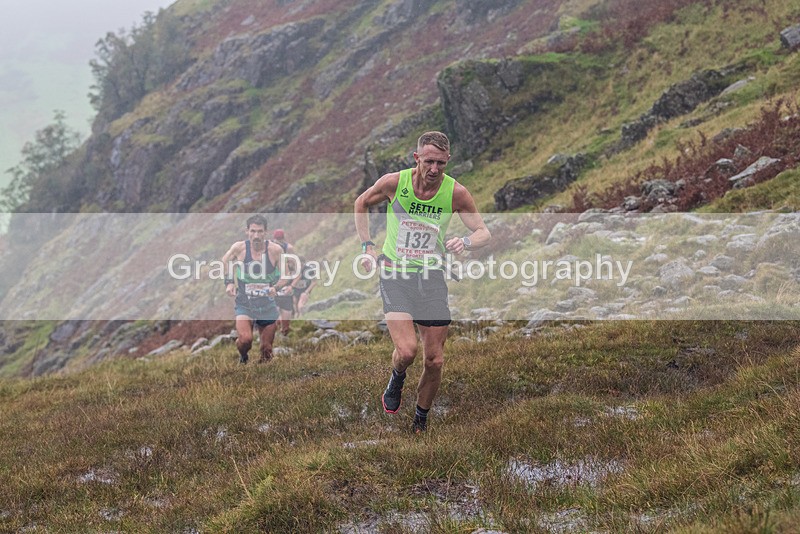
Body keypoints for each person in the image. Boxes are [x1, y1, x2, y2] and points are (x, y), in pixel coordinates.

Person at [354, 131, 491, 433]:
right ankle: (397, 377)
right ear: (416, 158)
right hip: (395, 275)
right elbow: (361, 202)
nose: (434, 169)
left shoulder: (456, 193)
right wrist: (367, 246)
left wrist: (465, 242)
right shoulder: (395, 183)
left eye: (441, 163)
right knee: (407, 351)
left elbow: (483, 232)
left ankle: (420, 419)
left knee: (435, 360)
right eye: (429, 161)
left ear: (448, 160)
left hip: (431, 279)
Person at [221, 215, 292, 364]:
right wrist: (229, 282)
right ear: (247, 231)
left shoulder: (275, 250)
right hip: (244, 303)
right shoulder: (239, 248)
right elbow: (225, 261)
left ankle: (263, 374)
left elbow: (286, 275)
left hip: (267, 304)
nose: (256, 236)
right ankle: (243, 357)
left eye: (260, 231)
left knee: (267, 350)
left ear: (266, 232)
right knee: (245, 341)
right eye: (253, 231)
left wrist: (276, 287)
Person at [272, 228, 296, 335]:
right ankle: (273, 336)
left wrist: (292, 285)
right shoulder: (269, 247)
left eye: (280, 239)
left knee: (286, 318)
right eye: (277, 240)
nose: (278, 242)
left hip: (285, 284)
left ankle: (284, 333)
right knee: (274, 315)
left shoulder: (289, 248)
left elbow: (295, 268)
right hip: (273, 284)